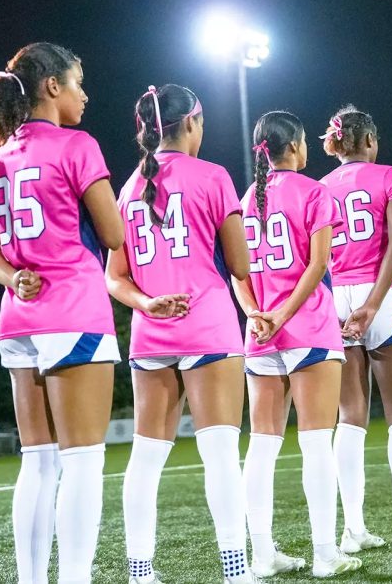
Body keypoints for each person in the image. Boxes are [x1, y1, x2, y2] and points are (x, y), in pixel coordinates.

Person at [0, 42, 125, 584]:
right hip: (73, 309)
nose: (85, 94)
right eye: (78, 82)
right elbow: (114, 234)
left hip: (18, 317)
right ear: (52, 86)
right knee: (83, 461)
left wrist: (14, 276)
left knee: (37, 463)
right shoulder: (77, 144)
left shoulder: (5, 154)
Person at [106, 84, 253, 583]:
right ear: (191, 122)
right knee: (220, 455)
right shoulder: (213, 175)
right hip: (208, 324)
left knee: (146, 458)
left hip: (151, 332)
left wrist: (147, 302)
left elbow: (114, 277)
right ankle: (235, 571)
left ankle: (140, 572)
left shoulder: (127, 189)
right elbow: (239, 264)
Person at [235, 111, 363, 578]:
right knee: (315, 445)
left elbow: (238, 271)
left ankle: (263, 554)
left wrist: (255, 315)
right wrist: (285, 314)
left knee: (262, 447)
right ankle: (325, 554)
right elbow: (320, 264)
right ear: (294, 146)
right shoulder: (315, 191)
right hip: (307, 327)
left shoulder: (248, 197)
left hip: (261, 333)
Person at [318, 107, 392, 554]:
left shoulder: (321, 187)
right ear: (367, 139)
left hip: (335, 297)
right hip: (380, 296)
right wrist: (372, 304)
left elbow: (320, 256)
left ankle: (353, 531)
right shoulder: (387, 176)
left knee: (350, 417)